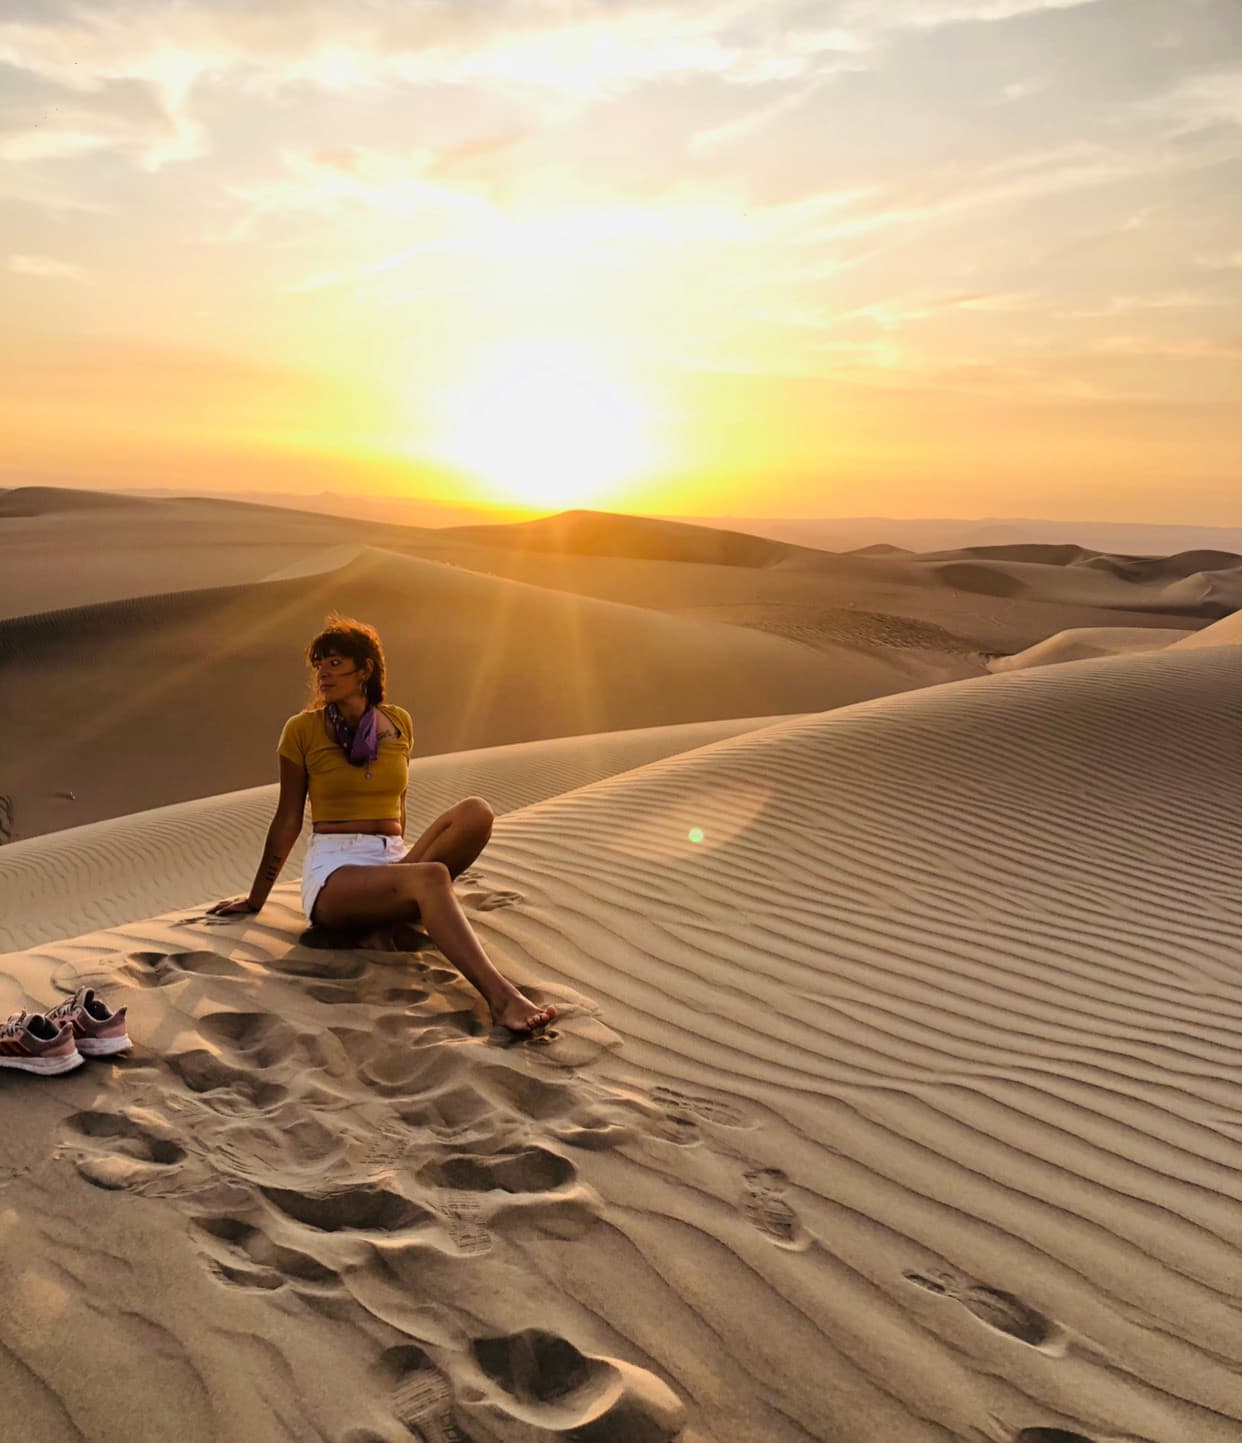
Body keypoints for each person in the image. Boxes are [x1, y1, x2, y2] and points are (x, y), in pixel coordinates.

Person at [209, 615, 556, 1036]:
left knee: (476, 812)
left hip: (391, 858)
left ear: (365, 670)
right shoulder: (301, 730)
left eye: (335, 663)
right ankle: (502, 1000)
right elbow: (287, 819)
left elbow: (399, 807)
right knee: (432, 877)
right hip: (335, 870)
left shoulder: (399, 722)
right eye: (318, 665)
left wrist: (398, 867)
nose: (322, 674)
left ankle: (383, 917)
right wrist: (255, 899)